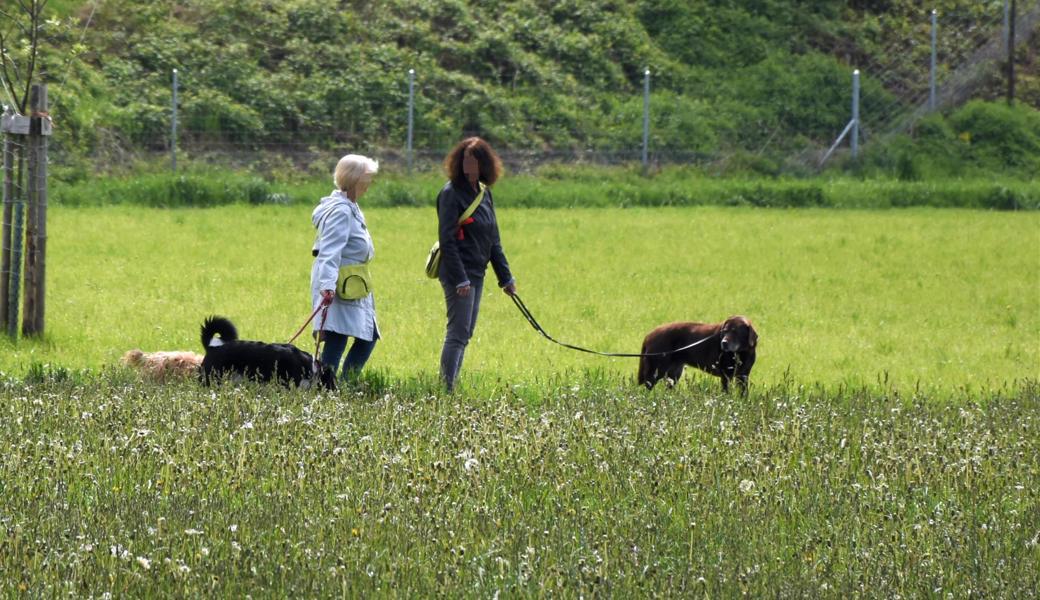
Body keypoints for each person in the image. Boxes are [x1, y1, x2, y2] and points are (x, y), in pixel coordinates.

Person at [435, 137, 517, 392]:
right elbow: (447, 239)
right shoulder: (450, 194)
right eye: (465, 159)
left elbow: (493, 239)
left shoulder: (484, 193)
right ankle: (446, 389)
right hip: (459, 274)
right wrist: (461, 279)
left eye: (475, 160)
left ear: (485, 163)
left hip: (477, 272)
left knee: (466, 332)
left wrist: (506, 278)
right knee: (458, 333)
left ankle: (450, 385)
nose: (469, 164)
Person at [311, 154, 380, 382]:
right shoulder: (341, 211)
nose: (369, 185)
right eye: (367, 179)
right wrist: (327, 287)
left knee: (360, 334)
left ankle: (336, 386)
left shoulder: (351, 206)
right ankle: (331, 386)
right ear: (355, 180)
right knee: (341, 336)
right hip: (340, 284)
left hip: (354, 282)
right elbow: (329, 252)